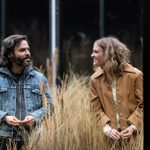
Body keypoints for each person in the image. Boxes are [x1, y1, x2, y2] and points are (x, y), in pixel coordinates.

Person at [0, 34, 53, 149]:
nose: (28, 53)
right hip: (3, 139)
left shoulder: (39, 78)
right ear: (10, 54)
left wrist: (35, 117)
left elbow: (50, 106)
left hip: (32, 140)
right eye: (22, 50)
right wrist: (4, 117)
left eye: (28, 49)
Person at [89, 36, 143, 149]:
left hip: (135, 139)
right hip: (108, 141)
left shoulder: (135, 75)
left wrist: (133, 126)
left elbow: (142, 105)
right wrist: (107, 129)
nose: (92, 55)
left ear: (108, 54)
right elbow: (95, 110)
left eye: (96, 51)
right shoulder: (95, 79)